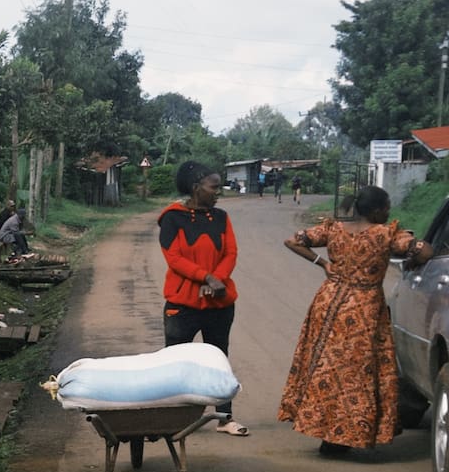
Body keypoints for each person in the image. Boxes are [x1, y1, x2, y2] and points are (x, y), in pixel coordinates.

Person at [278, 186, 432, 455]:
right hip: (363, 308)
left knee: (325, 368)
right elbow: (425, 253)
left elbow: (292, 241)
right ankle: (345, 435)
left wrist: (322, 263)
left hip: (328, 302)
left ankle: (327, 434)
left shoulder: (334, 229)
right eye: (386, 208)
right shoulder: (385, 234)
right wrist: (411, 245)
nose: (388, 212)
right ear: (375, 211)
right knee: (357, 374)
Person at [158, 161, 247, 435]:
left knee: (219, 359)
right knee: (177, 362)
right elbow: (173, 258)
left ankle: (224, 417)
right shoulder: (172, 218)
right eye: (214, 187)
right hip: (182, 304)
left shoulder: (221, 217)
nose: (218, 192)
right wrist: (206, 278)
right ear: (196, 188)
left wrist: (217, 280)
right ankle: (176, 417)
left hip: (219, 303)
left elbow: (230, 252)